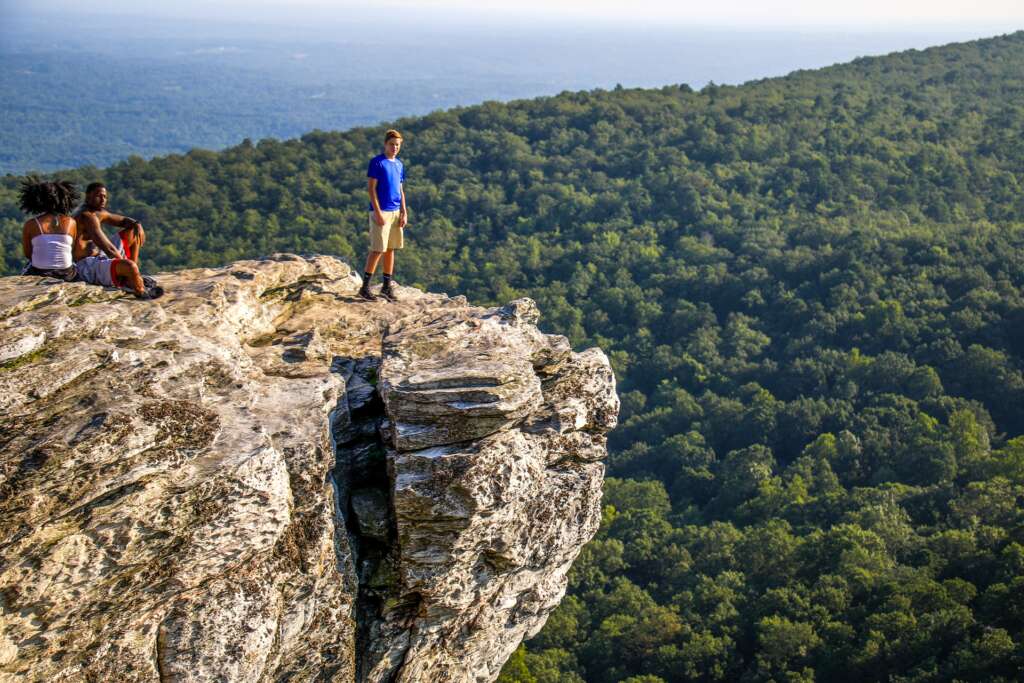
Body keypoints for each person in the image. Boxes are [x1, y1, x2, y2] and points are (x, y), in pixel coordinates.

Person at [359, 129, 408, 302]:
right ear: (385, 144)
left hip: (395, 211)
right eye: (391, 144)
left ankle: (386, 286)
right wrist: (378, 212)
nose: (394, 148)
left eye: (397, 145)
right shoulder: (377, 163)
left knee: (390, 248)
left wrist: (404, 211)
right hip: (381, 211)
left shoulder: (399, 164)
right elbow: (371, 189)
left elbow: (401, 190)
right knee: (377, 249)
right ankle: (365, 287)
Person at [19, 178, 81, 282]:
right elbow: (72, 249)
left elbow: (28, 253)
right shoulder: (71, 222)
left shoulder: (31, 224)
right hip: (67, 273)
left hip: (39, 273)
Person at [73, 182, 146, 264]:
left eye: (104, 196)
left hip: (99, 255)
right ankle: (131, 271)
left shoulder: (98, 213)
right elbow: (108, 249)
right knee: (126, 265)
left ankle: (133, 267)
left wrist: (137, 224)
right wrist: (125, 266)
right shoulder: (86, 216)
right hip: (87, 262)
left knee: (134, 230)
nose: (103, 199)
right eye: (98, 196)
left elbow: (123, 221)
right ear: (88, 197)